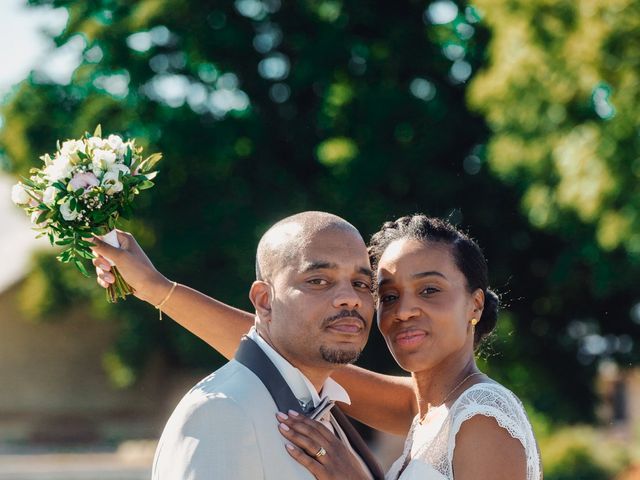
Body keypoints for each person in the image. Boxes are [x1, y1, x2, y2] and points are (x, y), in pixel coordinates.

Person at [92, 213, 542, 480]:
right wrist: (156, 288)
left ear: (475, 305)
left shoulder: (481, 415)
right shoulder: (426, 410)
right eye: (387, 295)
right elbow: (278, 348)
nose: (404, 311)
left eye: (429, 291)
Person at [91, 211, 386, 479]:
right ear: (264, 301)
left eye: (361, 283)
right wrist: (158, 289)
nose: (350, 298)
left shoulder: (326, 410)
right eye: (319, 280)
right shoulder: (220, 413)